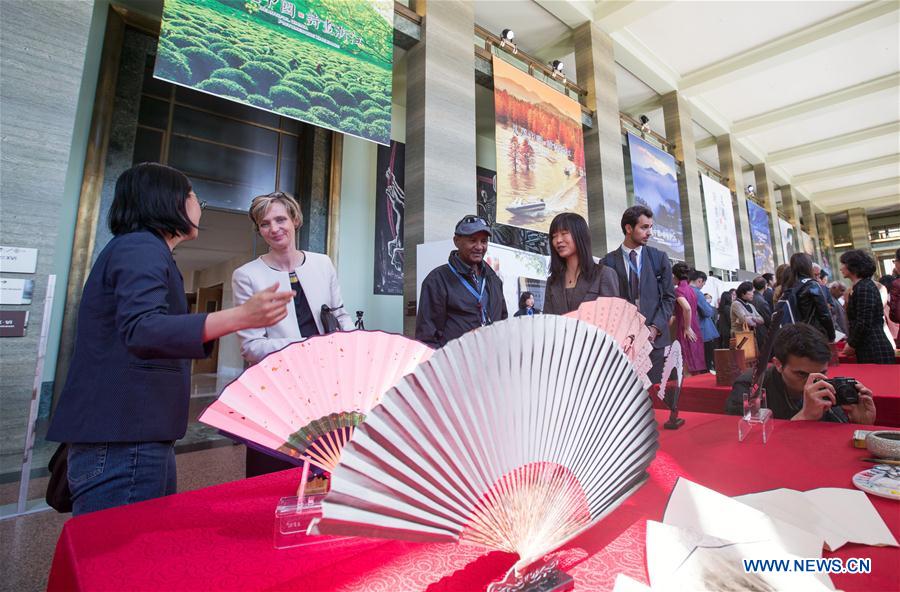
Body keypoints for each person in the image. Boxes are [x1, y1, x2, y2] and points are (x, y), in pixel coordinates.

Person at [46, 163, 294, 515]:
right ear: (168, 200)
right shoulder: (140, 249)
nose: (197, 206)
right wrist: (239, 316)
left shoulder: (142, 250)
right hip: (124, 435)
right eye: (193, 196)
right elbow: (142, 328)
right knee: (123, 554)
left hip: (134, 432)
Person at [232, 191, 354, 477]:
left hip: (325, 385)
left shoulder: (322, 263)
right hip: (277, 390)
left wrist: (353, 343)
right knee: (277, 473)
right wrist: (306, 346)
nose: (274, 229)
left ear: (295, 220)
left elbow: (339, 313)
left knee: (327, 465)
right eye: (264, 224)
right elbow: (251, 347)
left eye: (280, 219)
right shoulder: (247, 275)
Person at [726, 324, 876, 423]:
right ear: (778, 364)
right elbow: (741, 440)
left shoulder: (825, 386)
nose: (812, 381)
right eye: (802, 375)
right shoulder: (750, 385)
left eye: (822, 373)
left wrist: (861, 425)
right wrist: (804, 417)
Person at [602, 205, 675, 384]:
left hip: (655, 341)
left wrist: (655, 327)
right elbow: (607, 303)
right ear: (628, 228)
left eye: (650, 227)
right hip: (623, 344)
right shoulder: (608, 262)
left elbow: (669, 298)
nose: (649, 232)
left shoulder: (659, 258)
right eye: (644, 227)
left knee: (657, 399)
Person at [416, 215, 507, 347]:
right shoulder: (437, 280)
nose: (479, 247)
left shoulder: (493, 279)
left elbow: (503, 322)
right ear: (456, 241)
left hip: (491, 360)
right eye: (472, 240)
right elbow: (427, 335)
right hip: (455, 363)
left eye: (484, 241)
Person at [543, 212, 618, 314]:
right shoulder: (552, 281)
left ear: (580, 235)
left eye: (564, 233)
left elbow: (612, 320)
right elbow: (547, 321)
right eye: (554, 236)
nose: (558, 240)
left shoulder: (604, 274)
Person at [840, 249, 895, 364]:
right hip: (868, 345)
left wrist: (851, 344)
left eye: (843, 264)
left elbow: (864, 321)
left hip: (873, 347)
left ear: (853, 266)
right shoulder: (861, 286)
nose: (841, 268)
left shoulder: (864, 287)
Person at [782, 253, 835, 341]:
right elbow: (824, 314)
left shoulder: (789, 285)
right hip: (812, 333)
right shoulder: (812, 285)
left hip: (795, 333)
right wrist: (831, 335)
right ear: (808, 266)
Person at [672, 262, 705, 374]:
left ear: (674, 275)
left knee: (686, 362)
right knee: (696, 361)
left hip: (685, 328)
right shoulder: (691, 290)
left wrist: (687, 327)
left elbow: (687, 308)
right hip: (695, 326)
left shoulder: (678, 290)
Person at [690, 270, 718, 371]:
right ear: (699, 281)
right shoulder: (697, 293)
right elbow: (707, 312)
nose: (702, 286)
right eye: (703, 283)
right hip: (704, 330)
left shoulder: (682, 291)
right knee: (707, 360)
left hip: (690, 330)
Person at [731, 282, 765, 346]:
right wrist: (755, 321)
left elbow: (762, 320)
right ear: (743, 293)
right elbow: (746, 320)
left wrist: (752, 318)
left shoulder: (750, 305)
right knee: (743, 355)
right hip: (740, 338)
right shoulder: (736, 304)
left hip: (751, 336)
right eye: (751, 292)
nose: (753, 294)